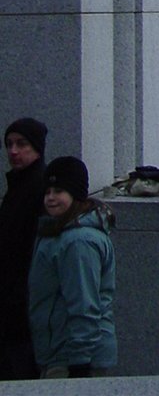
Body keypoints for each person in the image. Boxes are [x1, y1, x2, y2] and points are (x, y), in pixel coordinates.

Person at [28, 157, 116, 379]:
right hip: (60, 353)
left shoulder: (78, 242)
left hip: (73, 358)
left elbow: (84, 305)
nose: (50, 198)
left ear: (75, 194)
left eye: (59, 191)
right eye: (47, 191)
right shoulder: (58, 233)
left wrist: (79, 364)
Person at [0, 118, 48, 379]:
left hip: (22, 308)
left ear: (37, 147)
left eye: (21, 144)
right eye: (9, 144)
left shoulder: (39, 189)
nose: (13, 151)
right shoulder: (18, 185)